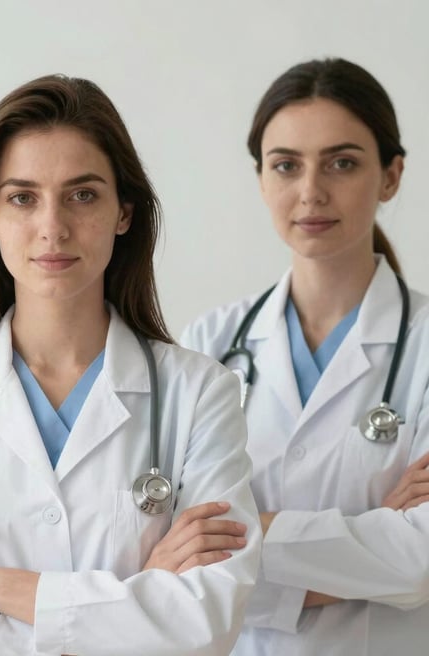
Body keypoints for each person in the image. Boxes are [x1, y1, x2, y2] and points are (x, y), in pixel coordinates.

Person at [0, 74, 260, 655]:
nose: (53, 227)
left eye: (83, 194)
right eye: (22, 198)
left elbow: (205, 622)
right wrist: (138, 595)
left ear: (124, 213)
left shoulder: (200, 394)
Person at [180, 58, 429, 655]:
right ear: (262, 179)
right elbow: (171, 563)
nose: (311, 191)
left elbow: (421, 559)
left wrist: (248, 541)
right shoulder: (206, 346)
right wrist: (375, 535)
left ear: (391, 176)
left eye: (342, 162)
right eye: (286, 165)